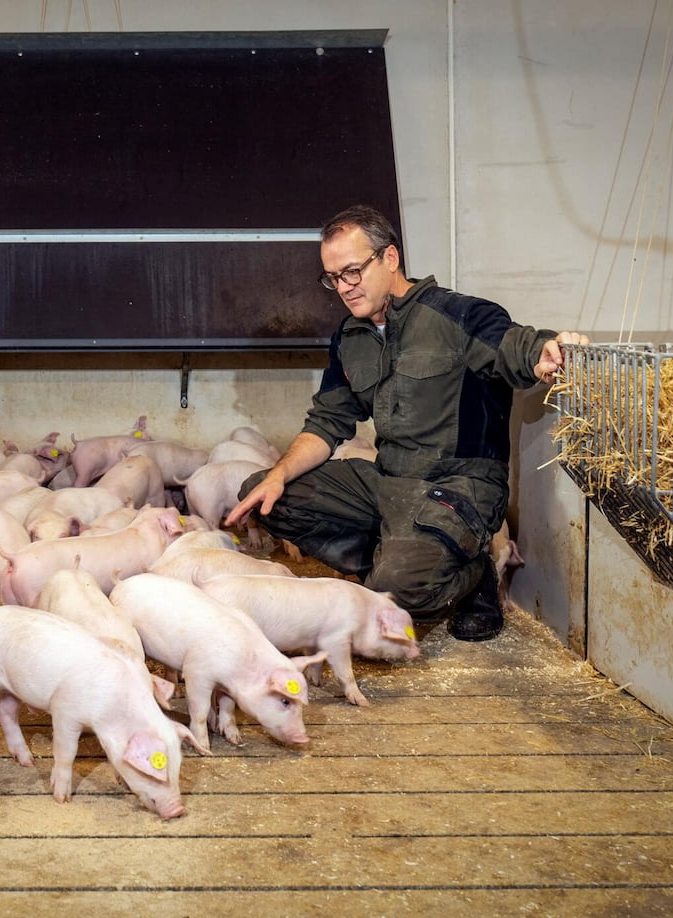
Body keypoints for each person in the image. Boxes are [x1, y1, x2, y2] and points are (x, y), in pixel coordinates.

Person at [226, 205, 588, 641]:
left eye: (352, 272)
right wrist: (278, 474)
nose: (343, 287)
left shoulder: (459, 315)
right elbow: (327, 421)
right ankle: (399, 563)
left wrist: (546, 350)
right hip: (389, 482)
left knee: (391, 597)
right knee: (265, 494)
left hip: (459, 488)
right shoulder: (351, 337)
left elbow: (515, 346)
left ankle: (471, 575)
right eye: (333, 278)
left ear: (390, 257)